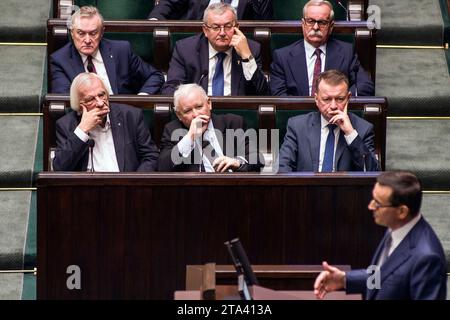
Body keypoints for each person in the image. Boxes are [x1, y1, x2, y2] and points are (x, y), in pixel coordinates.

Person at [314, 171, 447, 300]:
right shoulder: (395, 228)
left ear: (401, 211)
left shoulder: (427, 258)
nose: (370, 206)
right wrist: (344, 279)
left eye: (378, 203)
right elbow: (383, 275)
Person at [53, 73, 159, 172]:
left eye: (102, 95)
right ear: (79, 105)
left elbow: (151, 156)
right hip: (88, 189)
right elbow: (60, 168)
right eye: (90, 100)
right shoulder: (66, 125)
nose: (100, 103)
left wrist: (133, 184)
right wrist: (82, 130)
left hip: (127, 188)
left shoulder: (130, 116)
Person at [277, 70, 379, 172]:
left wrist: (350, 133)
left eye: (340, 99)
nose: (333, 106)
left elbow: (371, 172)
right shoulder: (298, 126)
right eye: (326, 99)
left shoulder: (363, 129)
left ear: (348, 98)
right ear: (316, 99)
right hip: (306, 187)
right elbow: (282, 168)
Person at [50, 6, 164, 95]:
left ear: (102, 32)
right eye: (81, 33)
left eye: (93, 33)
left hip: (122, 119)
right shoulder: (60, 60)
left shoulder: (121, 51)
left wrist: (141, 97)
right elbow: (65, 98)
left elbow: (155, 76)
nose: (87, 40)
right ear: (72, 33)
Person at [269, 0, 374, 96]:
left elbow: (365, 85)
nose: (315, 27)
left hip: (335, 112)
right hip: (298, 115)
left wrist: (339, 99)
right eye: (310, 21)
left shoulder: (346, 52)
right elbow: (278, 94)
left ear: (331, 26)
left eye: (322, 22)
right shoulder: (283, 56)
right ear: (303, 24)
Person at [161, 2, 268, 96]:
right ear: (205, 30)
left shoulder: (251, 48)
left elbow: (263, 93)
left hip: (237, 115)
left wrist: (247, 57)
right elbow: (171, 89)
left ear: (237, 27)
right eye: (216, 27)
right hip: (198, 113)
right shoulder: (185, 49)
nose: (222, 33)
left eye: (228, 26)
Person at [158, 83, 262, 172]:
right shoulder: (172, 130)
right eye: (188, 111)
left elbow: (257, 158)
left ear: (209, 103)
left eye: (199, 107)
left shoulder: (234, 123)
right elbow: (162, 168)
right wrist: (190, 137)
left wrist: (237, 162)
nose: (195, 114)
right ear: (179, 115)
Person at [148, 0, 273, 21]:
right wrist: (155, 19)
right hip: (196, 37)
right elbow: (168, 3)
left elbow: (264, 19)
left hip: (236, 41)